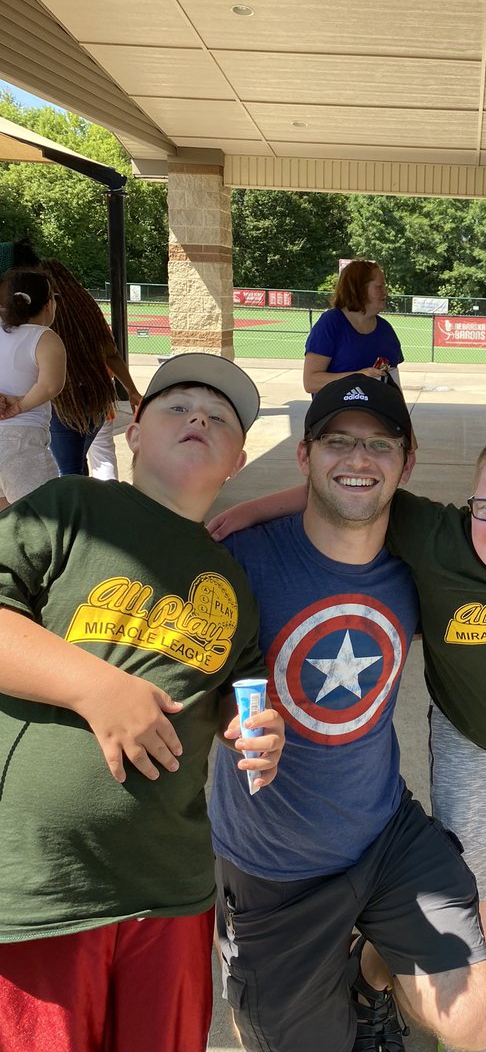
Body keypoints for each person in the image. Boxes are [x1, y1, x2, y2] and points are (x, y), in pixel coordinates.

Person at [211, 426, 486, 1049]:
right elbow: (352, 496)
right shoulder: (441, 537)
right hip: (473, 747)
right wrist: (244, 513)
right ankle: (450, 970)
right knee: (479, 875)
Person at [0, 353, 286, 1052]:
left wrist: (255, 723)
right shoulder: (73, 506)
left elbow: (240, 686)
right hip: (47, 882)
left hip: (172, 884)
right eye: (178, 406)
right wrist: (98, 688)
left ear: (237, 461)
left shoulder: (231, 579)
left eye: (220, 418)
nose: (199, 418)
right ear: (132, 435)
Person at [42, 259, 142, 475]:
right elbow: (111, 354)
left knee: (68, 472)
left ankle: (77, 507)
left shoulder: (44, 318)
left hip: (65, 405)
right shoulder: (86, 309)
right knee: (79, 465)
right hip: (97, 402)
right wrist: (132, 391)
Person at [0, 269, 66, 507]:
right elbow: (50, 385)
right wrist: (19, 405)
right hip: (21, 438)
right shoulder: (44, 337)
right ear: (48, 305)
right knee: (44, 514)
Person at [303, 259, 404, 394]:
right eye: (379, 287)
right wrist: (358, 378)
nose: (385, 292)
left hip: (377, 413)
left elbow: (393, 383)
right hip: (337, 412)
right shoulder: (332, 323)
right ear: (359, 289)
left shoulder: (386, 330)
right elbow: (310, 382)